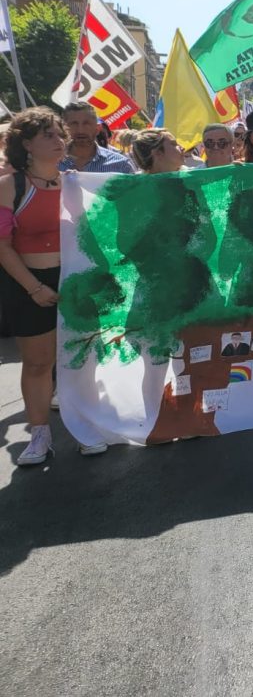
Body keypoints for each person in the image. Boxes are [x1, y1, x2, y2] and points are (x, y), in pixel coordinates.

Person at [0, 109, 108, 463]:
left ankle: (86, 427)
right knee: (38, 364)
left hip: (73, 281)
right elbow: (2, 246)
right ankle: (40, 435)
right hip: (28, 285)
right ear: (26, 144)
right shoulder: (9, 186)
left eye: (59, 134)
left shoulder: (74, 183)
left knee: (80, 360)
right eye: (48, 135)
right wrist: (34, 288)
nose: (59, 140)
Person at [58, 101, 136, 174]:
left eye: (86, 124)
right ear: (63, 128)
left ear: (98, 128)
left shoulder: (121, 165)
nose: (80, 130)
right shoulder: (53, 163)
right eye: (74, 124)